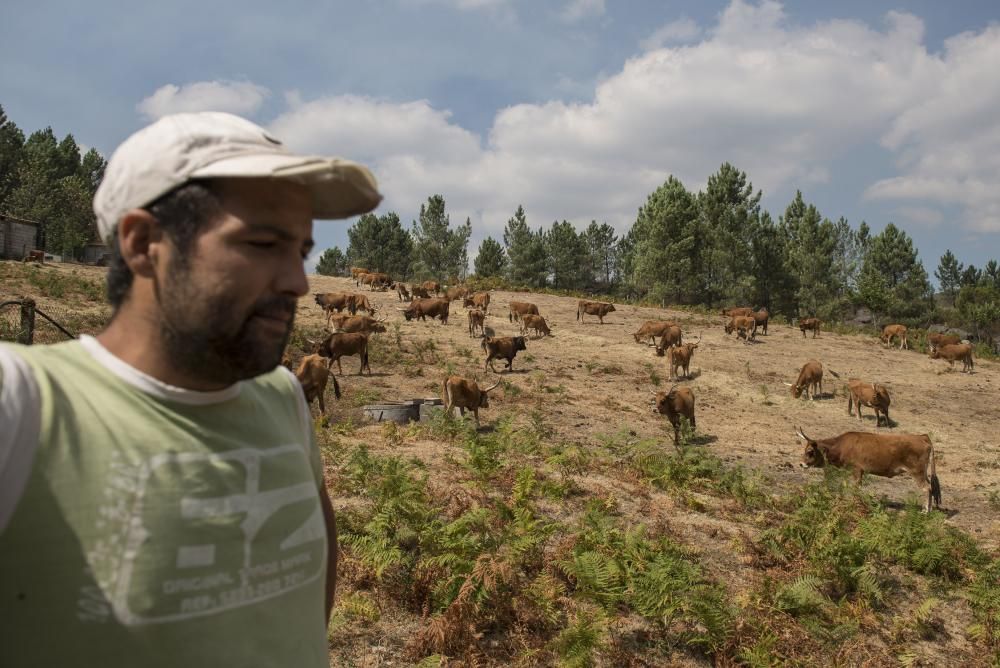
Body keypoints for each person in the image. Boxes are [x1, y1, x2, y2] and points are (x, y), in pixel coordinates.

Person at [0, 112, 382, 667]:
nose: (298, 282)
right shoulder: (25, 405)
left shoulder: (281, 398)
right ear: (142, 243)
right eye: (261, 243)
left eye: (299, 251)